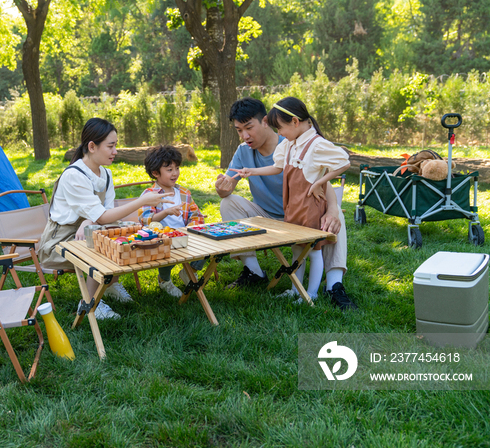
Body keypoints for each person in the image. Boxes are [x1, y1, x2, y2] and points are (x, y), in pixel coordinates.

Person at [215, 98, 357, 310]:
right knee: (228, 203)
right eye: (238, 130)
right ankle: (254, 272)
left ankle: (334, 284)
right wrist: (223, 187)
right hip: (268, 217)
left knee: (337, 216)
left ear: (265, 121)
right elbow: (227, 186)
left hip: (303, 213)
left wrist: (333, 208)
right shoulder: (245, 150)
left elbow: (323, 177)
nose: (244, 136)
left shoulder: (295, 141)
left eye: (249, 128)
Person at [38, 118, 173, 319]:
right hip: (58, 244)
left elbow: (106, 215)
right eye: (110, 146)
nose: (115, 151)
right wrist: (142, 200)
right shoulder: (74, 175)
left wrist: (88, 221)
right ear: (92, 146)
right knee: (101, 245)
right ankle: (89, 302)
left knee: (119, 235)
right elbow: (102, 216)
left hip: (87, 232)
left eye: (115, 145)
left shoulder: (106, 174)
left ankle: (109, 285)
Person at [138, 145, 206, 297]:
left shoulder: (183, 193)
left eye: (177, 168)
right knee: (166, 251)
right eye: (169, 170)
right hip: (161, 239)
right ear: (155, 173)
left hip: (184, 236)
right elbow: (146, 220)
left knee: (209, 244)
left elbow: (196, 216)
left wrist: (190, 229)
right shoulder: (150, 195)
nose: (175, 173)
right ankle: (164, 280)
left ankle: (189, 272)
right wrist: (166, 212)